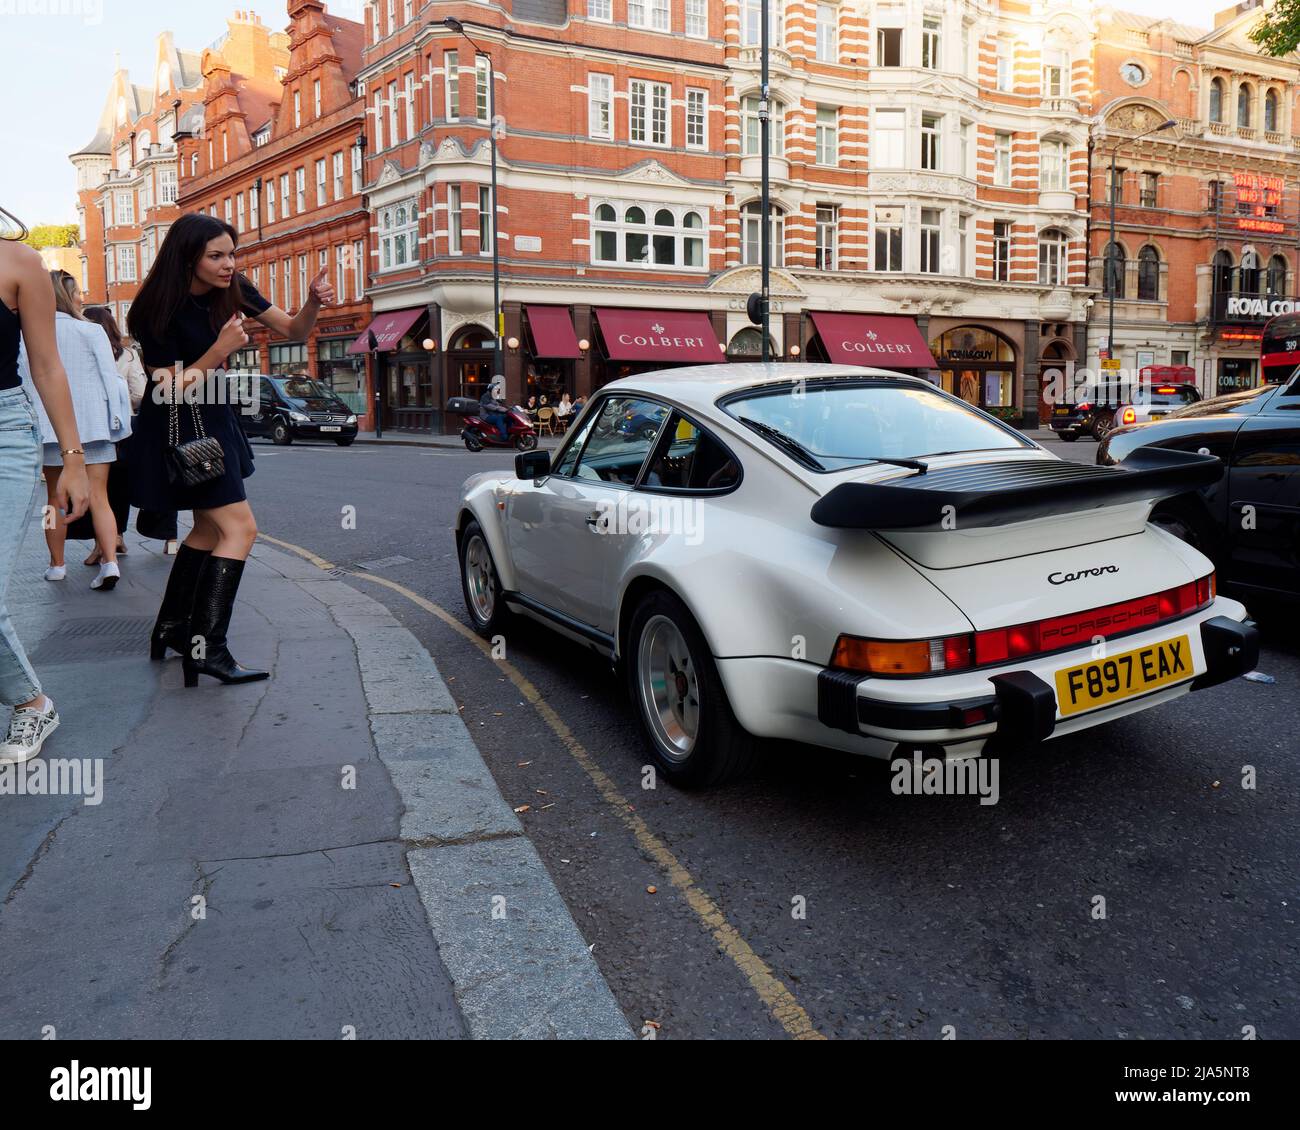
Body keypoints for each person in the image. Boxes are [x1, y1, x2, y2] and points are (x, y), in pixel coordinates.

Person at [127, 212, 334, 687]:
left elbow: (296, 332)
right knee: (241, 529)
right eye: (216, 256)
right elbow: (168, 390)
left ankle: (174, 629)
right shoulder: (154, 307)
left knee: (205, 530)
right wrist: (218, 351)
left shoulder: (234, 286)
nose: (228, 264)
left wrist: (311, 303)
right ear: (188, 257)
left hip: (216, 419)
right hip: (180, 427)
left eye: (231, 254)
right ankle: (210, 650)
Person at [0, 205, 91, 763]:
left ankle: (31, 704)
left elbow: (47, 366)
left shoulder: (19, 261)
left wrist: (74, 460)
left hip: (4, 432)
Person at [19, 271, 132, 592]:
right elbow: (112, 381)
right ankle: (109, 561)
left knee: (53, 500)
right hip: (94, 425)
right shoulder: (91, 330)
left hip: (51, 427)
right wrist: (117, 423)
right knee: (100, 497)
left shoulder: (27, 333)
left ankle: (56, 564)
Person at [78, 305, 146, 564]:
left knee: (97, 489)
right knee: (120, 486)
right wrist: (121, 402)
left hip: (92, 426)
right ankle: (116, 535)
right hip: (124, 428)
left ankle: (100, 545)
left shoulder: (83, 354)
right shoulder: (128, 356)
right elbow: (140, 393)